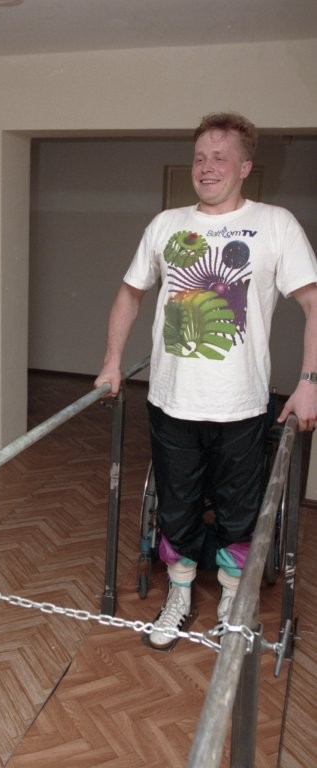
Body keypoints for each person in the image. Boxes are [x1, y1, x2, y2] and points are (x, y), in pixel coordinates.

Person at [95, 112, 317, 648]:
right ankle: (179, 593)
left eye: (220, 157)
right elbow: (130, 292)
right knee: (177, 507)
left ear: (245, 167)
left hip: (242, 405)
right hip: (171, 401)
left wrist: (310, 380)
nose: (207, 167)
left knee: (240, 511)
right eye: (199, 157)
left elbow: (314, 302)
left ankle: (233, 600)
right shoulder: (166, 224)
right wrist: (112, 360)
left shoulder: (275, 223)